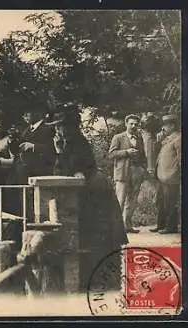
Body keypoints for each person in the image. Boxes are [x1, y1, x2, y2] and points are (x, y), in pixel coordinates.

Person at [49, 109, 128, 284]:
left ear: (68, 127)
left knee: (98, 234)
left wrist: (60, 153)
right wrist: (60, 151)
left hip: (96, 194)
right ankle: (91, 277)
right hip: (89, 192)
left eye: (59, 126)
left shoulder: (78, 143)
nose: (57, 130)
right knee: (89, 235)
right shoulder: (69, 143)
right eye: (56, 127)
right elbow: (60, 170)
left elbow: (71, 170)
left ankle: (100, 278)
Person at [108, 114, 147, 234]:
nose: (133, 126)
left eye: (136, 124)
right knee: (120, 200)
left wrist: (142, 168)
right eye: (131, 123)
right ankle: (117, 228)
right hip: (122, 172)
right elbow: (111, 154)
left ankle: (127, 225)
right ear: (126, 124)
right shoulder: (118, 137)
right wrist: (126, 152)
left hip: (136, 172)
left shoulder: (139, 138)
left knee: (133, 200)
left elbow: (143, 155)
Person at [151, 114, 181, 234]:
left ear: (172, 126)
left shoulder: (178, 139)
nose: (163, 128)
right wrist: (158, 141)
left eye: (165, 125)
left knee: (170, 202)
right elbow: (156, 155)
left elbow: (181, 159)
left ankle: (171, 227)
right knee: (161, 202)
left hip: (171, 177)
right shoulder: (166, 139)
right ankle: (161, 225)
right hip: (161, 176)